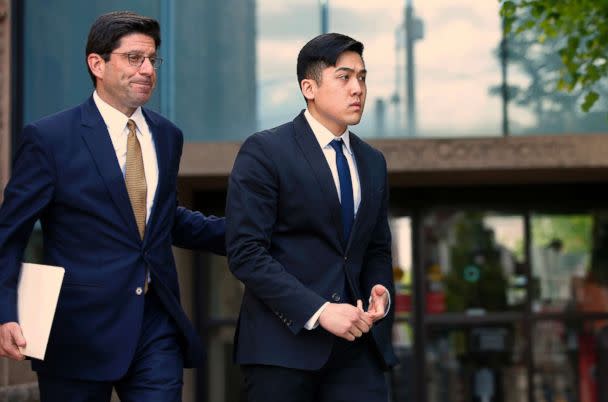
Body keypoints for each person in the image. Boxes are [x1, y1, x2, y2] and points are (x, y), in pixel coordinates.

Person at [0, 11, 225, 402]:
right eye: (134, 58)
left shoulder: (167, 136)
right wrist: (5, 311)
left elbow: (162, 220)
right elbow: (9, 235)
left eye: (153, 59)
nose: (147, 70)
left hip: (156, 324)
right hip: (77, 331)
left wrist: (250, 232)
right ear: (97, 64)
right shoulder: (49, 138)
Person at [226, 32, 397, 402]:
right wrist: (319, 311)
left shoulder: (372, 162)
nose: (358, 89)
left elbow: (376, 249)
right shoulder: (266, 151)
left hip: (357, 352)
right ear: (309, 87)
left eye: (363, 77)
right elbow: (246, 253)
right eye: (344, 77)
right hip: (282, 349)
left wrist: (378, 292)